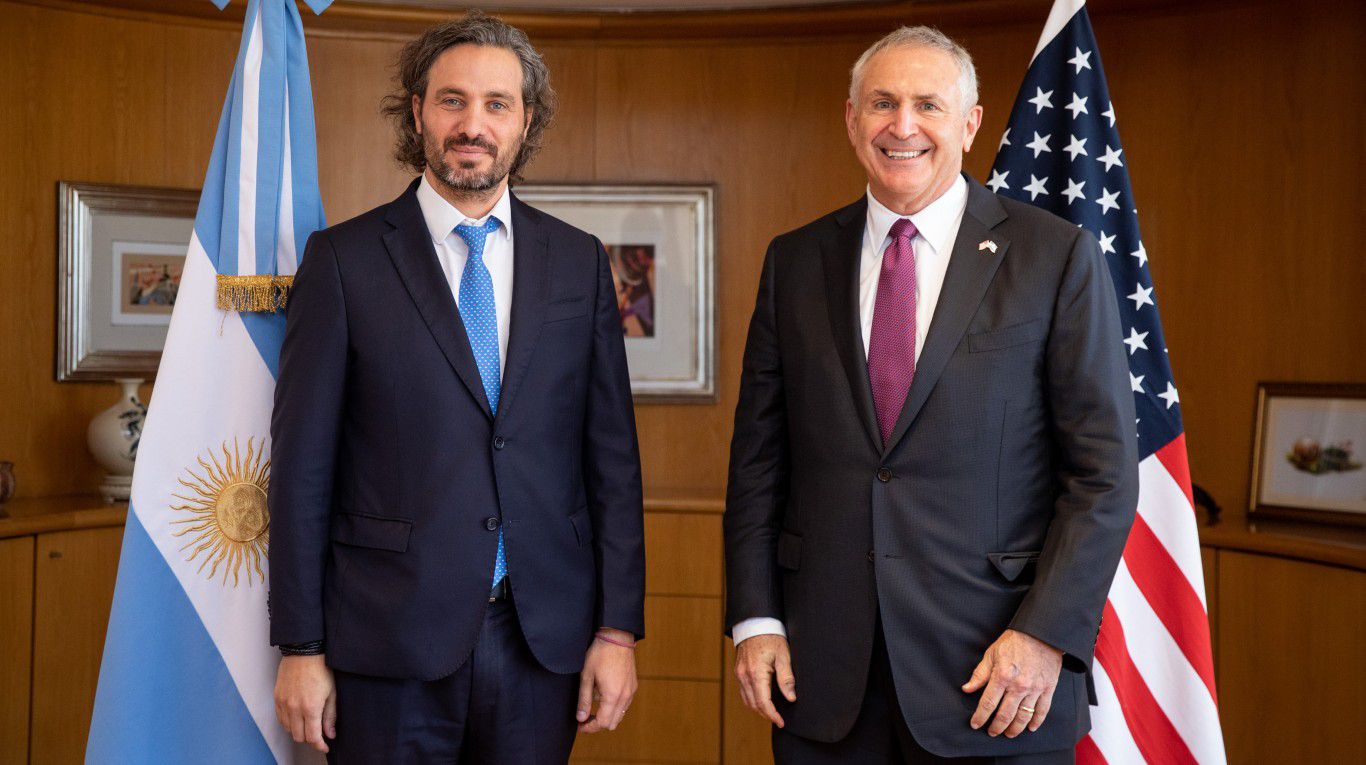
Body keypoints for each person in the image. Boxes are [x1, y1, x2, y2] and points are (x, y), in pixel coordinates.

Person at [724, 26, 1138, 764]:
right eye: (881, 103)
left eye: (928, 105)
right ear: (851, 119)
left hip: (997, 681)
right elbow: (760, 462)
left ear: (970, 124)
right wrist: (755, 617)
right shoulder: (794, 260)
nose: (902, 125)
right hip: (823, 682)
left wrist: (1045, 633)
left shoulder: (1053, 256)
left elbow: (1103, 475)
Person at [267, 12, 645, 762]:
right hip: (385, 641)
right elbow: (303, 469)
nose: (473, 124)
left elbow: (612, 461)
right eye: (452, 101)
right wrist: (300, 644)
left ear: (525, 120)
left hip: (542, 640)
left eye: (497, 104)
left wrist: (617, 628)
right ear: (418, 111)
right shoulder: (342, 263)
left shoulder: (577, 263)